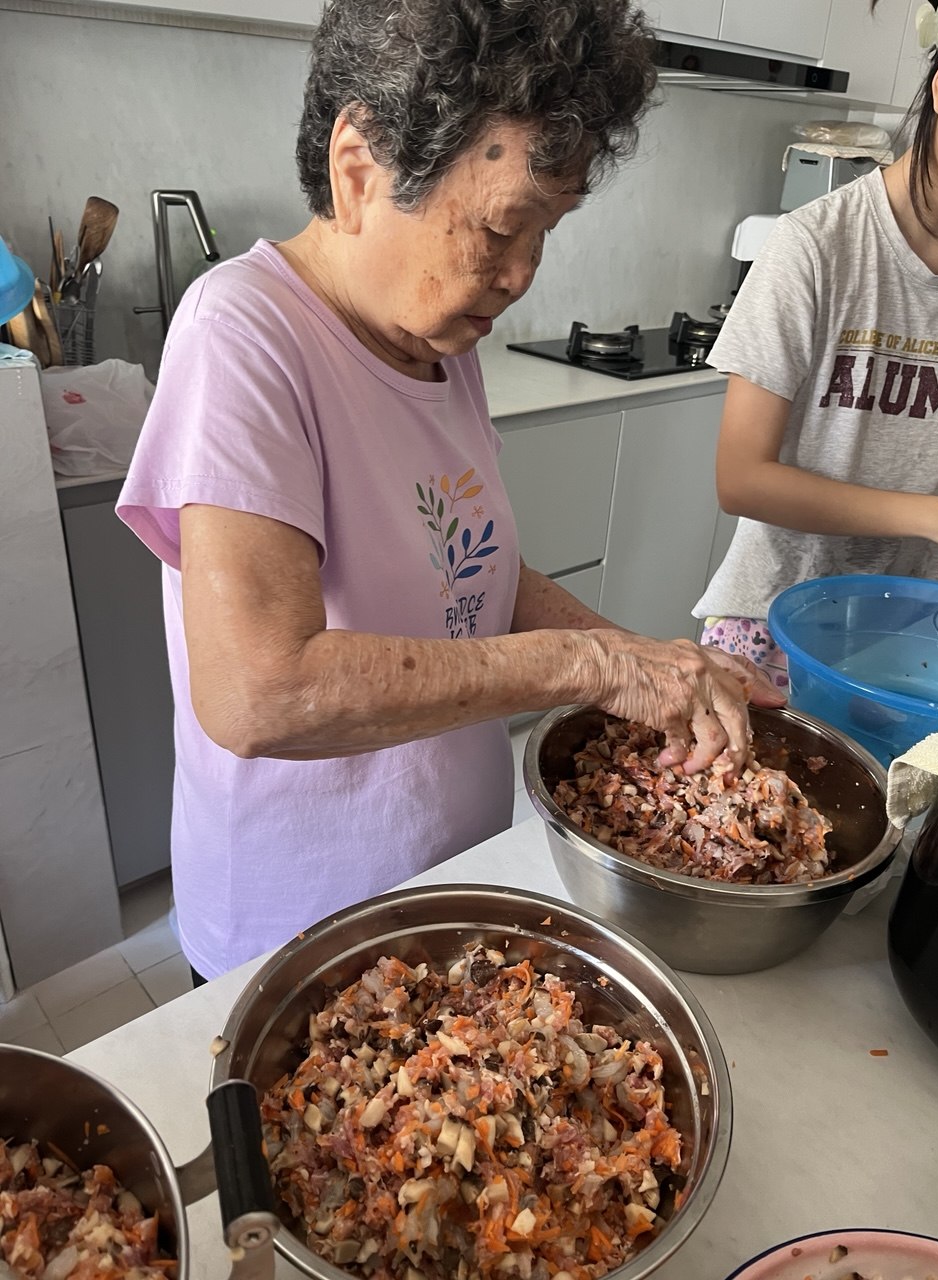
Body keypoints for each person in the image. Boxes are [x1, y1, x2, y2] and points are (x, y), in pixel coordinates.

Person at [117, 0, 782, 982]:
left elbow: (474, 574)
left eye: (544, 232)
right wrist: (587, 663)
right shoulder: (245, 337)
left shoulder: (436, 339)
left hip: (447, 884)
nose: (519, 276)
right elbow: (261, 689)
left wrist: (644, 664)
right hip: (303, 935)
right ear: (358, 170)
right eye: (500, 228)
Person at [695, 0, 938, 686]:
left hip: (918, 636)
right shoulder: (817, 245)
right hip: (776, 626)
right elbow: (741, 477)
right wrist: (937, 518)